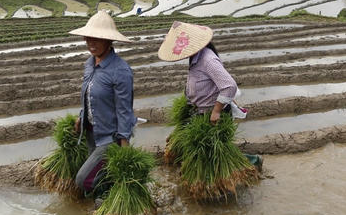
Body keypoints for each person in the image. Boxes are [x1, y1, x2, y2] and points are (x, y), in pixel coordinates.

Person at [158, 21, 260, 166]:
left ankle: (254, 162)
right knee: (208, 155)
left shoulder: (208, 60)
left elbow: (229, 86)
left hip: (214, 116)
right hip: (200, 113)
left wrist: (216, 111)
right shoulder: (195, 58)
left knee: (216, 157)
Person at [69, 10, 136, 196]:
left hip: (110, 138)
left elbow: (124, 109)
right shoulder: (89, 64)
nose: (92, 43)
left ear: (109, 40)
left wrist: (124, 145)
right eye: (89, 38)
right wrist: (81, 117)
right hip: (92, 132)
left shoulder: (120, 70)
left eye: (97, 38)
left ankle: (110, 195)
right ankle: (105, 197)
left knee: (83, 179)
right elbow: (88, 95)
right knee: (98, 173)